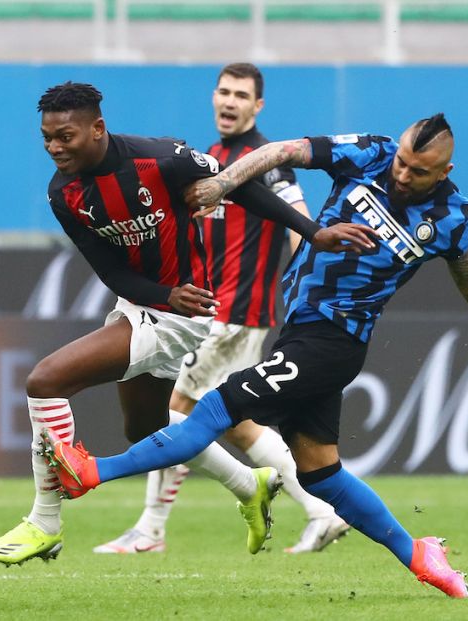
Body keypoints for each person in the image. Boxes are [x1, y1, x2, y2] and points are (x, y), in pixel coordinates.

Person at [41, 113, 468, 598]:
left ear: (444, 173)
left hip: (333, 342)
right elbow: (282, 152)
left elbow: (467, 274)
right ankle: (421, 555)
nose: (402, 175)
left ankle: (94, 473)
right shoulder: (370, 153)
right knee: (321, 474)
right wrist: (223, 183)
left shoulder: (454, 217)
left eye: (418, 172)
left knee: (216, 406)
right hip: (301, 330)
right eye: (403, 162)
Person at [0, 82, 375, 567]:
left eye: (66, 136)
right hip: (148, 303)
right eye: (47, 138)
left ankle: (46, 522)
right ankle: (249, 484)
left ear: (97, 128)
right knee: (146, 427)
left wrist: (313, 233)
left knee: (44, 381)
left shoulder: (161, 159)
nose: (55, 148)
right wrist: (163, 293)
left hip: (183, 315)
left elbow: (242, 187)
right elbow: (110, 271)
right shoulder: (65, 193)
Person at [94, 63, 349, 556]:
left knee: (174, 411)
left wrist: (308, 285)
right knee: (236, 425)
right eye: (224, 91)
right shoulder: (210, 158)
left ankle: (150, 529)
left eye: (241, 95)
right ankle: (323, 511)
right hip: (219, 309)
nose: (230, 101)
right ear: (214, 97)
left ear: (258, 106)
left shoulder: (265, 161)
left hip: (232, 311)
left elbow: (299, 221)